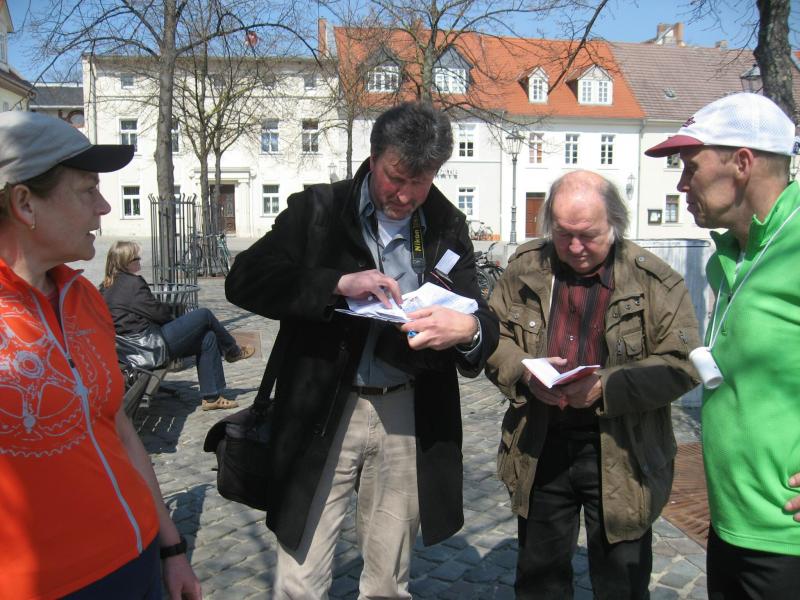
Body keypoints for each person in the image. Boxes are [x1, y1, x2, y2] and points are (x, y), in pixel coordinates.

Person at [225, 101, 499, 599]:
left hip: (408, 412)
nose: (405, 195)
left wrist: (466, 329)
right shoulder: (319, 211)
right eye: (396, 177)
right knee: (301, 578)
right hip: (323, 409)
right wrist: (336, 283)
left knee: (388, 583)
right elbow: (245, 279)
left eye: (421, 182)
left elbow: (479, 316)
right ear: (373, 159)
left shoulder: (446, 223)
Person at [0, 111, 201, 598]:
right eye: (87, 190)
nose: (105, 206)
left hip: (137, 560)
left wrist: (171, 548)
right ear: (25, 203)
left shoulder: (83, 297)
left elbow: (119, 427)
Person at [485, 170, 700, 599]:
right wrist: (525, 371)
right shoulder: (527, 268)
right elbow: (492, 334)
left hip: (623, 450)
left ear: (615, 224)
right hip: (541, 442)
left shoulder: (654, 281)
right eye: (563, 234)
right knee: (539, 578)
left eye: (588, 235)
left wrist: (606, 387)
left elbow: (682, 363)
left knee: (621, 582)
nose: (575, 247)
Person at [646, 92, 800, 599]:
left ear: (742, 163)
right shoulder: (732, 252)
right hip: (732, 523)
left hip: (786, 540)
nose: (681, 184)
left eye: (691, 167)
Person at [100, 240, 254, 411]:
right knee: (204, 315)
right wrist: (174, 317)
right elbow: (160, 314)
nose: (140, 261)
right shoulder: (132, 284)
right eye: (136, 258)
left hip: (131, 349)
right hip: (147, 347)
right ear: (126, 262)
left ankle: (212, 397)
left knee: (208, 337)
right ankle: (233, 351)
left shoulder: (106, 286)